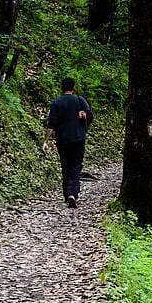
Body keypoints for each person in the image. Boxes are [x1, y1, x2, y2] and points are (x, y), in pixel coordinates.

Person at [43, 77, 93, 208]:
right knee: (76, 166)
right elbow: (90, 116)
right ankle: (72, 193)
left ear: (61, 88)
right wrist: (84, 118)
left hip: (62, 139)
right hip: (78, 138)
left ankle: (66, 194)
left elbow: (51, 123)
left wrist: (45, 141)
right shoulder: (79, 100)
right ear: (73, 88)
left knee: (65, 166)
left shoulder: (56, 103)